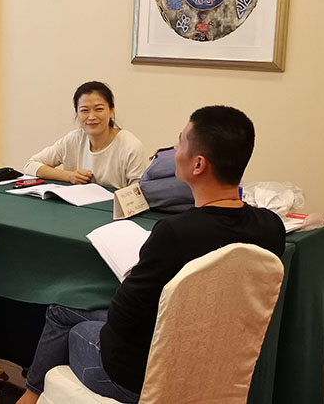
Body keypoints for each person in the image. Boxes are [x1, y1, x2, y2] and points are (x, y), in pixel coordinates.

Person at [16, 105, 285, 404]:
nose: (173, 150)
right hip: (216, 365)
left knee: (66, 318)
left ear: (198, 164)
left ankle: (29, 397)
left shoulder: (175, 233)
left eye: (180, 141)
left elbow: (122, 318)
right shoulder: (271, 227)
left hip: (141, 378)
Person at [23, 81, 147, 190]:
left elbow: (138, 193)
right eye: (84, 110)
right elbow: (30, 165)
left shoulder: (131, 146)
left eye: (99, 109)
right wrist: (69, 176)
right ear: (77, 113)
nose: (91, 117)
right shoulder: (73, 140)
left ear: (111, 111)